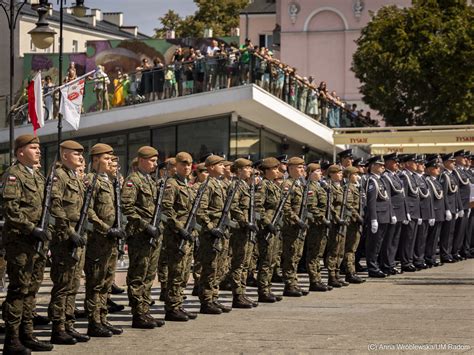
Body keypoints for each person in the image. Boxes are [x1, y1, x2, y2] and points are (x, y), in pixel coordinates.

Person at [1, 135, 54, 353]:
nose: (38, 151)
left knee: (32, 289)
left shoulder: (38, 176)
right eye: (33, 148)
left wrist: (45, 233)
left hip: (36, 242)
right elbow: (10, 210)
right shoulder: (13, 175)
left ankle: (27, 334)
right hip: (20, 241)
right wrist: (31, 228)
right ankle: (12, 340)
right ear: (20, 152)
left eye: (39, 148)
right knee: (18, 290)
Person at [49, 140, 90, 345]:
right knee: (63, 285)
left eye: (82, 154)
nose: (81, 158)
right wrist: (69, 231)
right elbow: (55, 206)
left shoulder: (74, 177)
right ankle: (58, 328)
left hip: (77, 236)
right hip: (64, 238)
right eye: (76, 154)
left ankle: (68, 324)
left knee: (74, 284)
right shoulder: (60, 176)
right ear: (65, 156)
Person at [84, 143, 125, 337]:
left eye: (111, 159)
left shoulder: (109, 181)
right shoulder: (91, 180)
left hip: (110, 240)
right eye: (106, 159)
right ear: (96, 160)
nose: (110, 162)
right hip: (98, 239)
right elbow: (89, 211)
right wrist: (107, 228)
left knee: (107, 281)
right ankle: (93, 321)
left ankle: (102, 318)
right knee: (95, 282)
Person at [121, 146, 165, 329]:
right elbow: (127, 208)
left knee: (149, 274)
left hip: (153, 234)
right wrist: (145, 225)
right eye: (152, 160)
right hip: (140, 234)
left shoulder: (151, 180)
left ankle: (145, 310)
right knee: (139, 274)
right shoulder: (133, 180)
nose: (155, 164)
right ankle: (138, 314)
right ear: (141, 160)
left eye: (156, 161)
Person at [161, 152, 199, 321]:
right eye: (183, 164)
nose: (187, 167)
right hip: (176, 235)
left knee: (184, 272)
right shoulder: (172, 184)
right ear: (176, 165)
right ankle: (171, 308)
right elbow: (167, 211)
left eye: (189, 164)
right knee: (176, 272)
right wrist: (179, 228)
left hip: (188, 233)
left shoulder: (188, 185)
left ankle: (178, 304)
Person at [196, 154, 232, 314]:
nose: (224, 167)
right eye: (220, 165)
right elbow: (200, 211)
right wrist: (211, 228)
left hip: (222, 232)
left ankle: (214, 298)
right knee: (210, 267)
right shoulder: (207, 185)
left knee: (220, 267)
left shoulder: (221, 185)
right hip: (211, 234)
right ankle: (206, 301)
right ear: (211, 167)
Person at [229, 158, 258, 308]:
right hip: (240, 230)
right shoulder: (236, 186)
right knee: (239, 263)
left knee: (246, 263)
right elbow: (233, 207)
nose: (250, 170)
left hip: (247, 229)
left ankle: (242, 292)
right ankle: (237, 295)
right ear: (239, 170)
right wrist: (244, 221)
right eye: (247, 168)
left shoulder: (246, 186)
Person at [255, 157, 284, 302]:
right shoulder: (263, 186)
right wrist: (267, 223)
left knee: (272, 260)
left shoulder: (273, 185)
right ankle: (263, 291)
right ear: (266, 171)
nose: (277, 171)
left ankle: (268, 288)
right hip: (267, 228)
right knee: (266, 261)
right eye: (274, 169)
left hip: (275, 227)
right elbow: (258, 207)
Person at [281, 156, 309, 297]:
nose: (302, 169)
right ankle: (289, 285)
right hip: (291, 227)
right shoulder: (287, 184)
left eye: (302, 167)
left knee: (297, 255)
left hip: (300, 226)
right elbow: (286, 208)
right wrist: (297, 220)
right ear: (290, 168)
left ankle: (294, 283)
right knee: (290, 256)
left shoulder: (300, 184)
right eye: (298, 167)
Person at [305, 163, 333, 291]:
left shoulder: (320, 186)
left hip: (322, 224)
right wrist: (323, 219)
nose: (320, 173)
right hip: (315, 225)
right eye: (317, 171)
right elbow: (312, 208)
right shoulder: (310, 187)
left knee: (318, 254)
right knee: (313, 253)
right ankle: (314, 280)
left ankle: (318, 279)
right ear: (310, 173)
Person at [365, 156, 393, 278]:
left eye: (383, 165)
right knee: (374, 244)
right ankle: (372, 268)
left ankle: (378, 266)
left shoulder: (381, 180)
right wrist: (373, 219)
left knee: (380, 243)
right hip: (378, 216)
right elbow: (371, 202)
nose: (383, 167)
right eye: (380, 165)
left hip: (384, 216)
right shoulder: (372, 181)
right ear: (373, 166)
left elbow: (387, 199)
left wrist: (391, 214)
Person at [379, 153, 407, 275]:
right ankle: (386, 265)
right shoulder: (386, 177)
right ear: (388, 163)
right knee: (388, 241)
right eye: (394, 162)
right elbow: (388, 197)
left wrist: (405, 213)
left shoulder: (395, 176)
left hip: (399, 212)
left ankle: (390, 263)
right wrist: (392, 213)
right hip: (392, 212)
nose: (397, 164)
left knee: (395, 241)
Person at [398, 154, 422, 272]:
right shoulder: (404, 176)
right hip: (410, 212)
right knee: (407, 239)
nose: (416, 164)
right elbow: (405, 196)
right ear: (407, 164)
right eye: (414, 162)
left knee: (412, 239)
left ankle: (410, 260)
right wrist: (406, 212)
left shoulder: (412, 176)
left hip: (415, 211)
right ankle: (405, 262)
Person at [342, 166, 365, 284]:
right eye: (355, 174)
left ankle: (352, 271)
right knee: (350, 248)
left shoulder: (355, 188)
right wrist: (358, 217)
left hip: (356, 222)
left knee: (353, 248)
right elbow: (349, 206)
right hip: (352, 222)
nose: (357, 177)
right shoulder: (348, 189)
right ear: (349, 176)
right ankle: (350, 272)